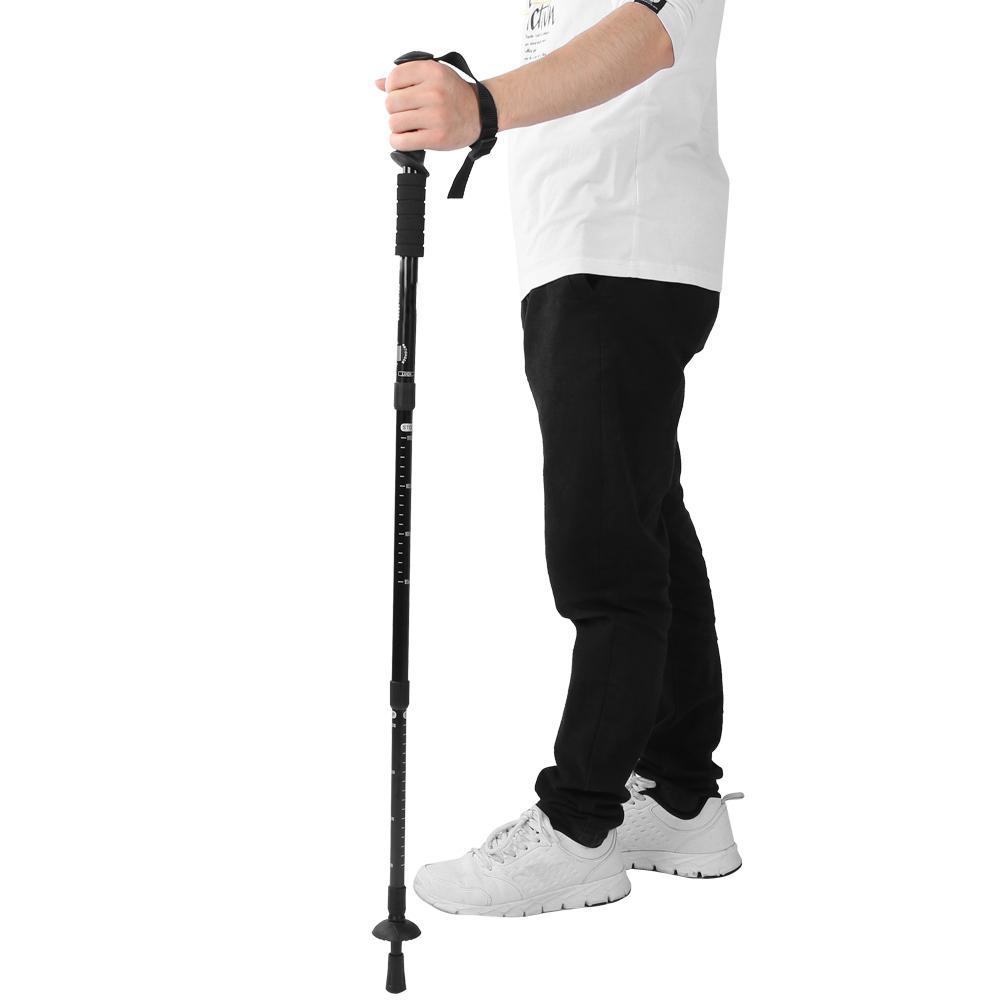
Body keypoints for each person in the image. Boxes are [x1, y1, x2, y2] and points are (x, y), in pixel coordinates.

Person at [377, 0, 742, 917]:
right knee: (644, 520)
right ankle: (680, 796)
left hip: (622, 248)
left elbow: (650, 32)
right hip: (584, 248)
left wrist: (480, 108)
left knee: (601, 548)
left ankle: (580, 825)